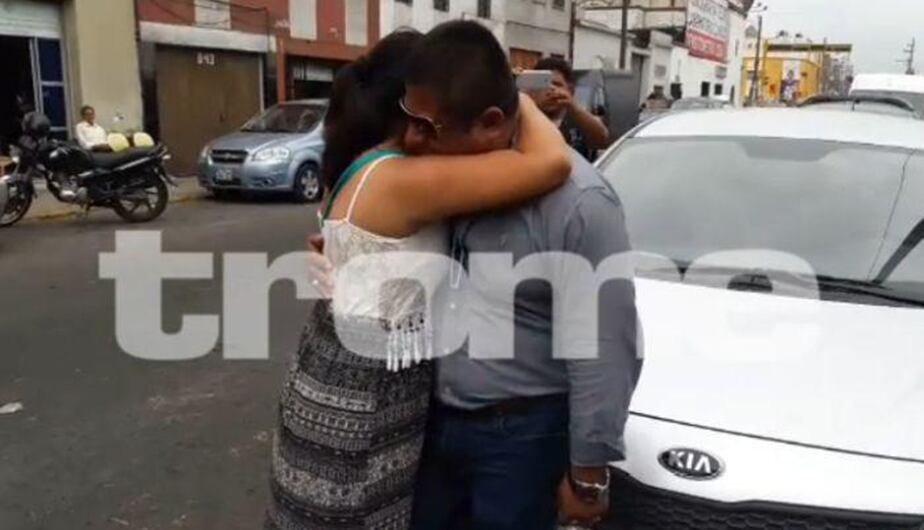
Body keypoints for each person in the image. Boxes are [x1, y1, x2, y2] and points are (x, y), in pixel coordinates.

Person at [265, 28, 573, 530]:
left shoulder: (368, 160)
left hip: (335, 371)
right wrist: (514, 97)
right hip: (363, 396)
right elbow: (550, 162)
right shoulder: (404, 178)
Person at [401, 23, 642, 530]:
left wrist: (587, 476)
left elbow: (603, 347)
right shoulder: (451, 177)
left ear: (490, 122)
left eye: (429, 126)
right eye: (409, 120)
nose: (412, 138)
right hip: (435, 425)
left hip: (521, 443)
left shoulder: (579, 204)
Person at [528, 57, 611, 161]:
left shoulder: (580, 120)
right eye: (544, 84)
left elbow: (602, 141)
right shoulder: (524, 119)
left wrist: (572, 106)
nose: (550, 90)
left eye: (557, 84)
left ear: (570, 90)